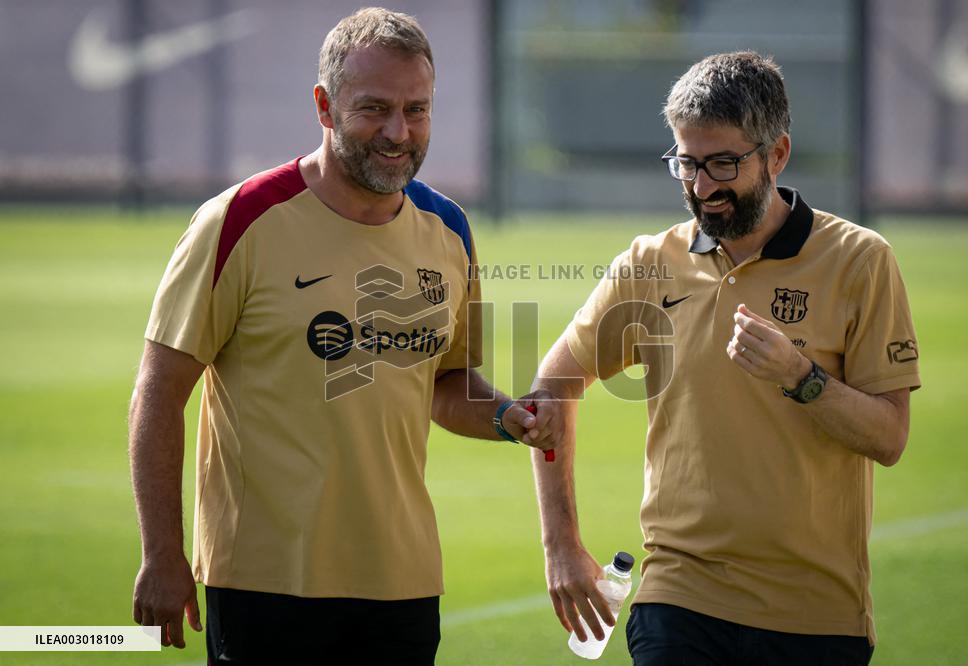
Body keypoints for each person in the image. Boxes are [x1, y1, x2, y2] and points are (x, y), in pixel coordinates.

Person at [128, 8, 554, 663]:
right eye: (374, 109)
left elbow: (444, 382)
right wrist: (161, 553)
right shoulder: (240, 221)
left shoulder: (449, 229)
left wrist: (506, 415)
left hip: (403, 585)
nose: (398, 132)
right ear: (324, 106)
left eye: (417, 110)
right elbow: (159, 392)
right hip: (266, 584)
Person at [529, 51, 920, 665]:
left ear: (778, 154)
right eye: (686, 163)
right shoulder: (649, 262)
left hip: (815, 614)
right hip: (678, 599)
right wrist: (560, 545)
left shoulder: (861, 261)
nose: (702, 186)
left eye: (722, 163)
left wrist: (803, 378)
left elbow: (890, 437)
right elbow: (552, 385)